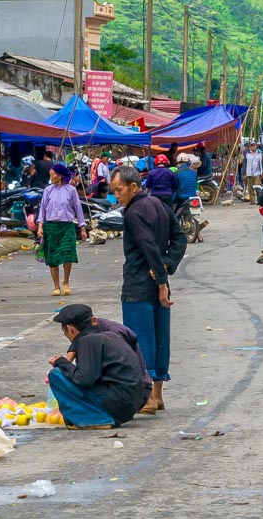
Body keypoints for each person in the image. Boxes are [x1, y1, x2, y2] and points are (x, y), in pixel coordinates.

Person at [111, 164, 177, 415]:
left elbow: (148, 246)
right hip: (159, 281)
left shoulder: (133, 213)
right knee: (161, 338)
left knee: (141, 341)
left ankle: (148, 398)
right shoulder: (159, 205)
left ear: (134, 187)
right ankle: (158, 395)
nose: (117, 196)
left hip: (139, 285)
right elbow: (179, 236)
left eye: (119, 190)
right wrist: (168, 265)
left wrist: (161, 279)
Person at [47, 303, 151, 428]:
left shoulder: (88, 341)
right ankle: (99, 416)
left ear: (70, 329)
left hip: (117, 403)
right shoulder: (110, 335)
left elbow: (84, 380)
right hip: (129, 405)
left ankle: (96, 418)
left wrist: (61, 363)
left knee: (56, 375)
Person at [35, 163, 86, 296]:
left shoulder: (71, 190)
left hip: (66, 226)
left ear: (60, 176)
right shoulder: (48, 190)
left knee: (68, 253)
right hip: (50, 227)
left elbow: (78, 209)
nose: (51, 177)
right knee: (52, 258)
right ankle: (56, 286)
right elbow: (42, 210)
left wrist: (83, 228)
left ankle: (66, 282)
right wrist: (40, 226)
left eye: (53, 174)